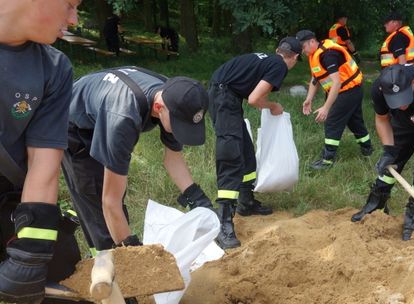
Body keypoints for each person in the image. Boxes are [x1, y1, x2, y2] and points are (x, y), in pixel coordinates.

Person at [61, 67, 212, 253]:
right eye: (180, 126)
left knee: (115, 196)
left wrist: (197, 197)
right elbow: (110, 202)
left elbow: (173, 160)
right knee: (97, 201)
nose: (182, 131)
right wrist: (134, 253)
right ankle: (106, 261)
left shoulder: (174, 97)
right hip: (74, 126)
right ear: (158, 108)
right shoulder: (123, 119)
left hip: (104, 109)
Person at [0, 0, 82, 302]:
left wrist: (30, 257)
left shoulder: (54, 68)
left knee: (64, 277)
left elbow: (44, 162)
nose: (73, 20)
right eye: (70, 5)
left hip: (14, 197)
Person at [208, 37, 301, 249]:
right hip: (224, 97)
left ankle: (246, 202)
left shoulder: (268, 58)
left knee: (246, 152)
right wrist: (271, 105)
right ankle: (223, 222)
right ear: (295, 57)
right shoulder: (279, 66)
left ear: (278, 49)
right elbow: (254, 99)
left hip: (224, 95)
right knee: (231, 155)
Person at [350, 64, 414, 241]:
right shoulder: (378, 89)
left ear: (413, 83)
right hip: (405, 122)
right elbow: (382, 120)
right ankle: (375, 206)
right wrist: (389, 150)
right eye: (396, 100)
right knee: (392, 161)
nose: (402, 104)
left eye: (404, 98)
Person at [296, 29, 373, 170]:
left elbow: (336, 82)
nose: (302, 51)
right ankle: (367, 149)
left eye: (303, 47)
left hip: (348, 91)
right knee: (354, 121)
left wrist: (326, 108)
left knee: (332, 120)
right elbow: (315, 78)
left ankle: (327, 161)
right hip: (344, 90)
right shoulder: (315, 54)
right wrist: (309, 99)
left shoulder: (328, 54)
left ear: (312, 41)